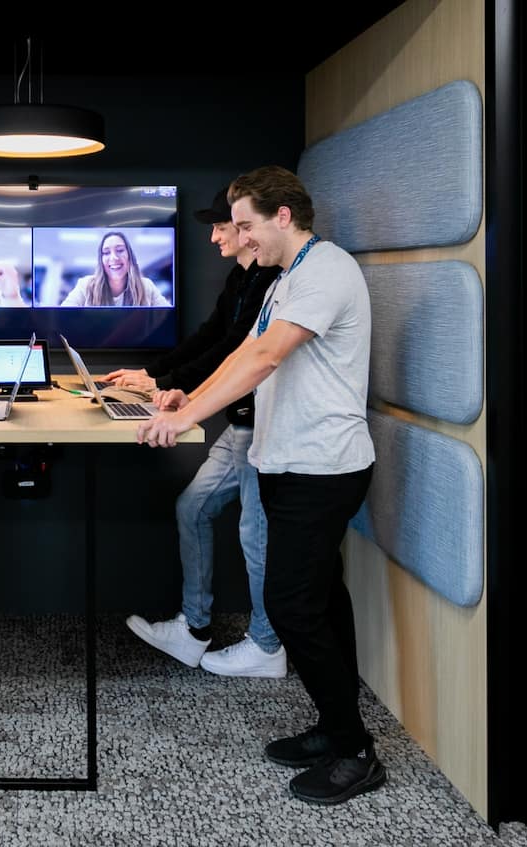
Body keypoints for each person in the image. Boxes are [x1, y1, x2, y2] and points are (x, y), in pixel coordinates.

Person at [134, 166, 380, 805]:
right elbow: (246, 354)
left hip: (322, 465)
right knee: (322, 598)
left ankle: (355, 749)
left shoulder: (325, 271)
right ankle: (335, 728)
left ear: (283, 216)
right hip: (288, 461)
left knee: (295, 605)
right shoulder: (287, 280)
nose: (240, 237)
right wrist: (192, 396)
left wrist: (185, 417)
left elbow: (268, 356)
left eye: (245, 225)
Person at [114, 184, 286, 677]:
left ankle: (267, 646)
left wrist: (176, 391)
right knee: (192, 508)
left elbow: (236, 353)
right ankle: (193, 629)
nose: (214, 237)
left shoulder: (273, 282)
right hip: (238, 426)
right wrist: (157, 377)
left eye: (222, 226)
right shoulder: (241, 278)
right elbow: (210, 336)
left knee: (257, 537)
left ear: (248, 227)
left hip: (264, 429)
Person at [58, 231, 170, 307]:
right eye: (106, 253)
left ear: (129, 256)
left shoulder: (146, 286)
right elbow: (63, 315)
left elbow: (168, 317)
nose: (114, 258)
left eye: (120, 250)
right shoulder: (85, 285)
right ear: (101, 260)